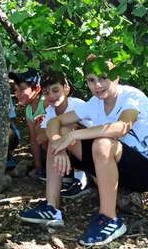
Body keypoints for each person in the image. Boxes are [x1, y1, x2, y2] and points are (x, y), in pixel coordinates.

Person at [19, 58, 148, 246]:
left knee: (102, 143)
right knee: (63, 134)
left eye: (104, 77)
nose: (97, 85)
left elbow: (122, 127)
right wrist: (58, 143)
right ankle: (52, 207)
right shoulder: (94, 103)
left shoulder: (131, 96)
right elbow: (56, 122)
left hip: (146, 171)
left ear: (116, 76)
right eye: (91, 80)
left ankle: (109, 219)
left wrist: (75, 135)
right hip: (113, 165)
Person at [39, 70, 92, 199]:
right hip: (69, 150)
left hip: (89, 150)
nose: (51, 95)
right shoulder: (50, 111)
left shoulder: (77, 105)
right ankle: (68, 175)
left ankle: (82, 179)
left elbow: (93, 129)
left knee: (63, 132)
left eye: (55, 90)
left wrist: (63, 128)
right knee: (56, 136)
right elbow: (40, 139)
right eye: (46, 93)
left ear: (66, 89)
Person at [9, 68, 45, 178]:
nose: (17, 93)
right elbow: (33, 139)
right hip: (45, 147)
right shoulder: (28, 110)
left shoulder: (45, 102)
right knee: (36, 133)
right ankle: (42, 168)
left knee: (41, 127)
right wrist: (38, 166)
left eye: (21, 89)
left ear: (37, 89)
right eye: (15, 90)